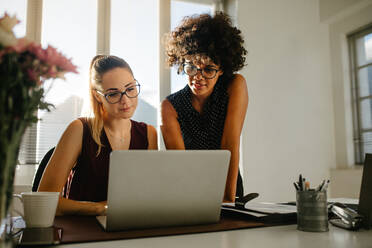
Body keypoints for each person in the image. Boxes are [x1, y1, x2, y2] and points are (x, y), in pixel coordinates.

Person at [38, 55, 158, 215]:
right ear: (97, 96)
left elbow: (149, 194)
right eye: (113, 94)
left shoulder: (149, 134)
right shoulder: (79, 129)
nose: (126, 101)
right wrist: (100, 208)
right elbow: (44, 201)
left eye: (130, 89)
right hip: (83, 231)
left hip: (128, 227)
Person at [161, 12, 248, 203]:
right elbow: (180, 166)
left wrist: (228, 200)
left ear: (222, 68)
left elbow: (230, 144)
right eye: (191, 67)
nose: (198, 77)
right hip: (190, 190)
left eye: (208, 69)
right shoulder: (170, 107)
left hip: (230, 186)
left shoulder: (234, 86)